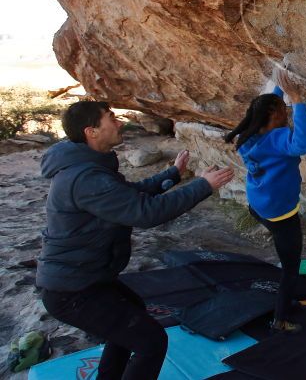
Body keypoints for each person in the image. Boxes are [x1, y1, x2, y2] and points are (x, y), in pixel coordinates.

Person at [37, 100, 234, 380]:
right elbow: (145, 213)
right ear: (91, 131)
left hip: (88, 278)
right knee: (151, 342)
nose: (120, 123)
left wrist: (173, 174)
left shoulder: (87, 167)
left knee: (133, 317)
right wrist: (202, 186)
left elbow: (129, 194)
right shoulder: (85, 178)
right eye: (111, 119)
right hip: (72, 290)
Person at [225, 67, 306, 334]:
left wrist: (279, 82)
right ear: (273, 116)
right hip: (280, 214)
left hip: (259, 206)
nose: (286, 113)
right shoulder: (278, 140)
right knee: (290, 268)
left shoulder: (248, 136)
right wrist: (298, 100)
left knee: (283, 248)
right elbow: (305, 143)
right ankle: (280, 319)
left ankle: (286, 301)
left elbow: (265, 105)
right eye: (283, 110)